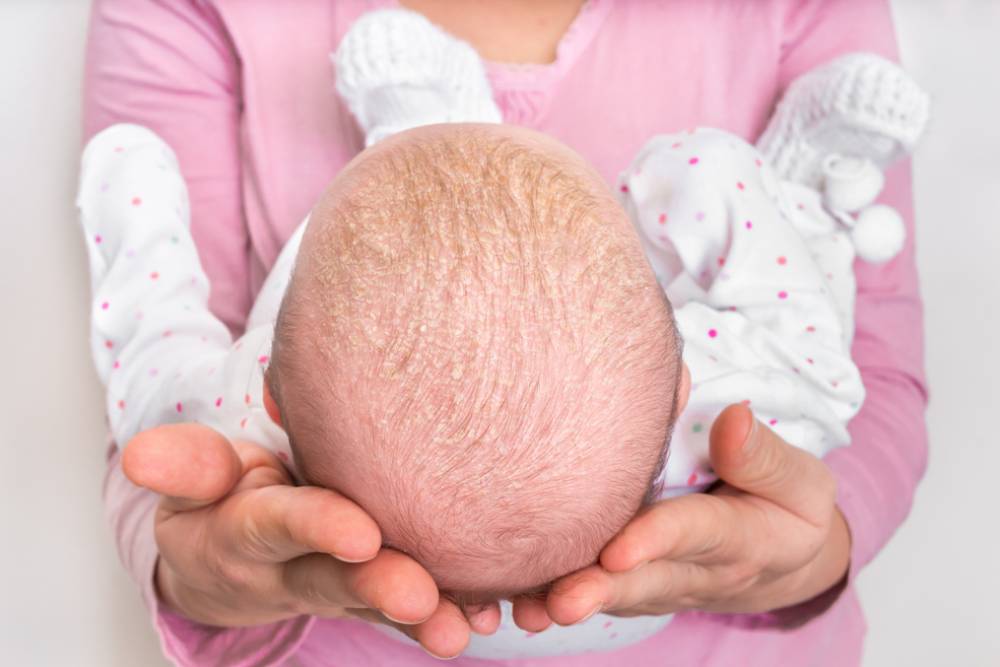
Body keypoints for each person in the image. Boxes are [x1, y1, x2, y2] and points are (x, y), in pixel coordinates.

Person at [84, 1, 928, 664]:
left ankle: (417, 135)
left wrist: (139, 229)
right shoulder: (718, 421)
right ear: (679, 382)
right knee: (811, 274)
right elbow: (836, 367)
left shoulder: (247, 417)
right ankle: (814, 185)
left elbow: (155, 377)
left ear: (274, 392)